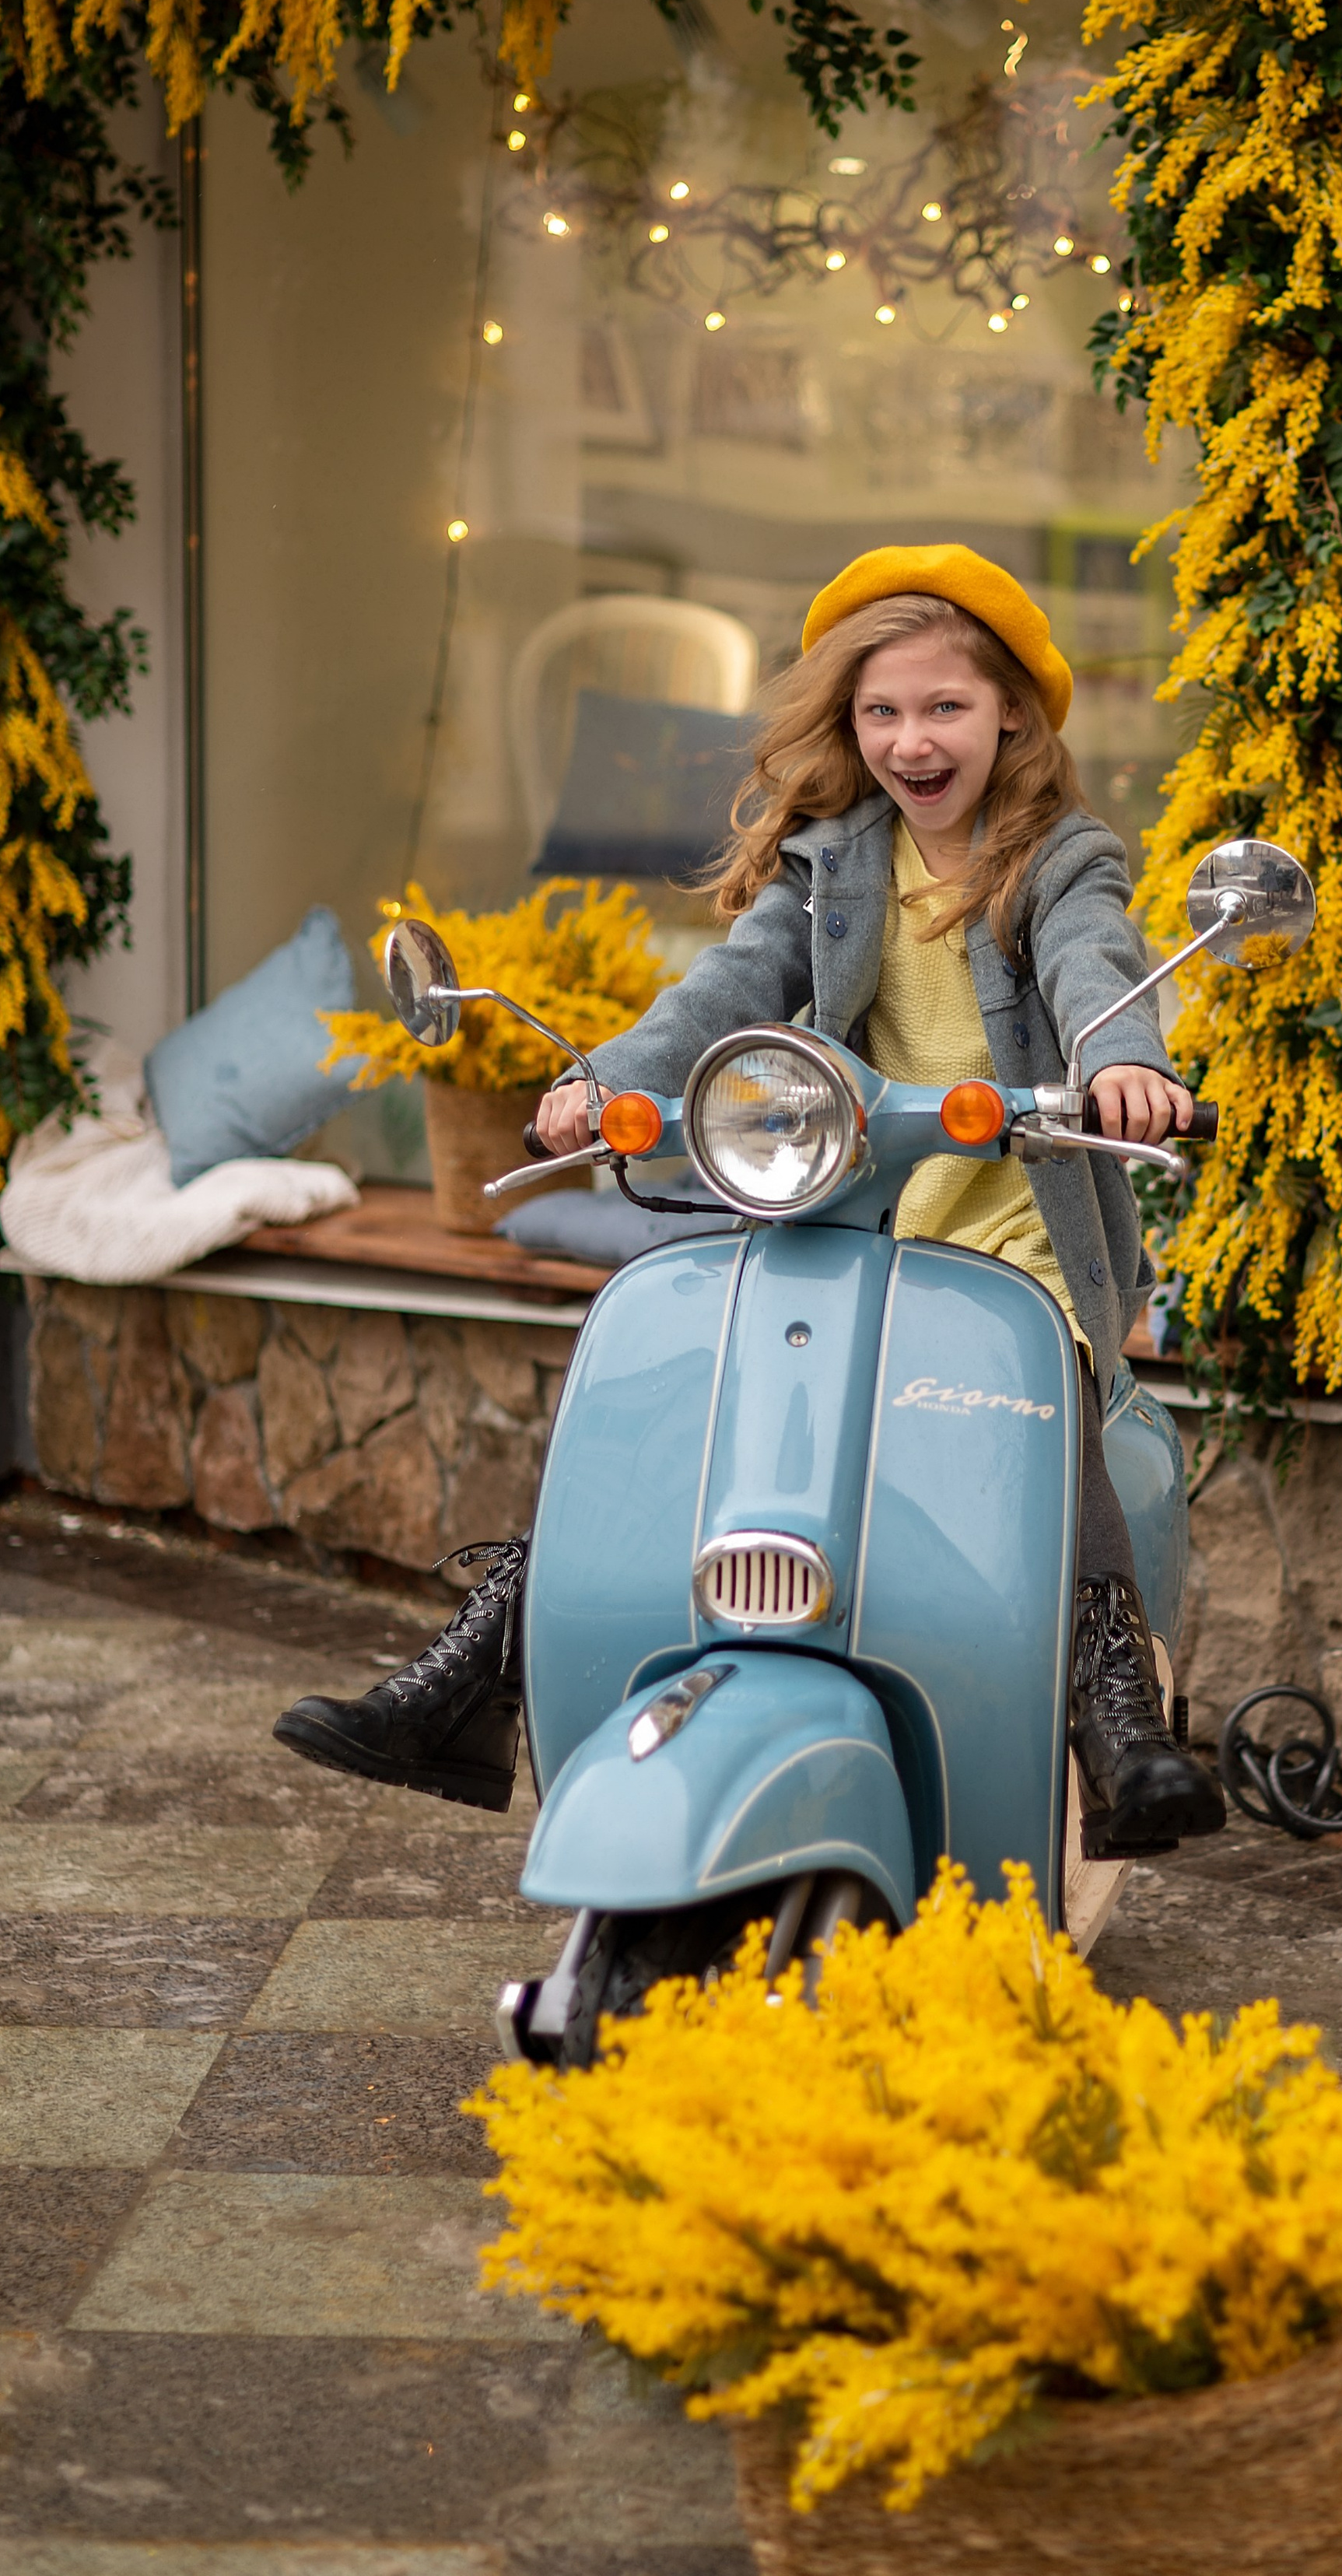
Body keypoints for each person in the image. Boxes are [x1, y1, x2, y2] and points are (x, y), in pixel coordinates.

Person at [275, 543, 1224, 1856]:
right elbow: (727, 992)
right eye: (880, 712)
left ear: (1012, 710)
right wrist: (601, 1079)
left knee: (1042, 1393)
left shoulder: (1059, 858)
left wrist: (1123, 1062)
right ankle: (470, 1677)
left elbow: (1094, 958)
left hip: (1015, 1216)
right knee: (684, 1377)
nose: (911, 740)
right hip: (849, 1204)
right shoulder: (832, 866)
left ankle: (1118, 1718)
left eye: (944, 707)